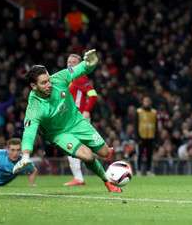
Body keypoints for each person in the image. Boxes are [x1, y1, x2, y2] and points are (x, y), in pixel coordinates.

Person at [12, 49, 122, 193]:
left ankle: (103, 153)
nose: (49, 84)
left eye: (48, 80)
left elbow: (80, 69)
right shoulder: (35, 107)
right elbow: (29, 132)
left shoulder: (59, 78)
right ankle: (107, 181)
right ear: (34, 86)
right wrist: (25, 154)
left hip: (77, 121)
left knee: (104, 152)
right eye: (44, 83)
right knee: (87, 156)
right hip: (58, 134)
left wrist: (91, 65)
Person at [63, 53, 98, 186]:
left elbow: (93, 94)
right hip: (70, 117)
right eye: (68, 62)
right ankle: (106, 152)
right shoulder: (69, 78)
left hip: (78, 117)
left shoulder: (80, 77)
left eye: (73, 62)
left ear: (79, 65)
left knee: (70, 146)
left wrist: (87, 110)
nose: (70, 64)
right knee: (75, 146)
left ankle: (78, 178)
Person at [135, 96, 157, 176]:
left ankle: (148, 171)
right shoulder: (139, 112)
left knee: (149, 155)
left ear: (150, 102)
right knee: (140, 154)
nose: (147, 102)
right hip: (141, 136)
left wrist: (156, 138)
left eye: (148, 101)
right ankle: (138, 171)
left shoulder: (154, 112)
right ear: (143, 102)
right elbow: (136, 125)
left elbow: (156, 126)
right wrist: (137, 137)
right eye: (145, 101)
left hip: (151, 136)